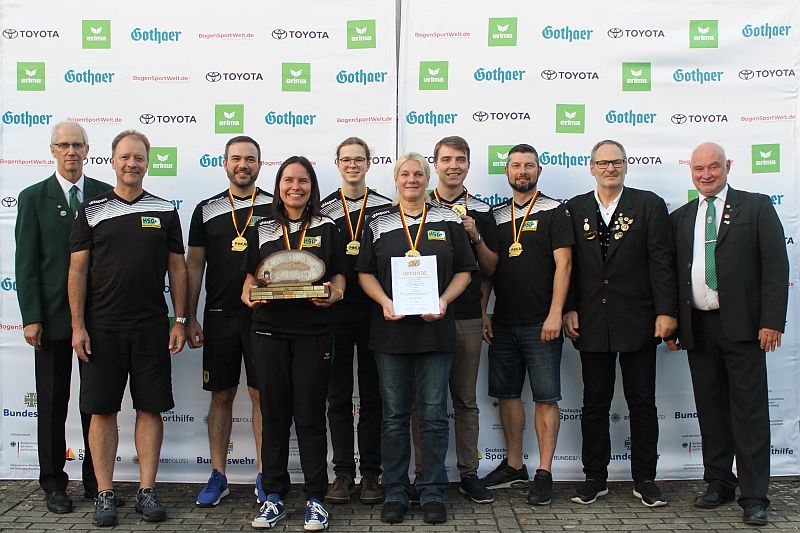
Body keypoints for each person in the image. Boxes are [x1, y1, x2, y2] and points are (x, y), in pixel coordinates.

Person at [68, 129, 188, 527]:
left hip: (151, 327)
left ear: (147, 163)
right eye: (125, 157)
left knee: (149, 408)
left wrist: (180, 319)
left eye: (138, 157)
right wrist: (78, 326)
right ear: (113, 160)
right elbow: (77, 270)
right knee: (102, 411)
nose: (131, 163)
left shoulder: (165, 210)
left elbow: (177, 268)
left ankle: (146, 490)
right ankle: (104, 492)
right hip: (102, 328)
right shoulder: (91, 210)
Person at [667, 142, 789, 526]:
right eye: (699, 168)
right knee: (711, 410)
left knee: (749, 413)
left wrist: (772, 321)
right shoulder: (682, 217)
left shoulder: (756, 207)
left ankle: (754, 496)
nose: (706, 174)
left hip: (744, 328)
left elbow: (775, 266)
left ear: (728, 166)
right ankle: (719, 482)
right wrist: (673, 322)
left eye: (714, 167)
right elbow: (672, 274)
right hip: (698, 327)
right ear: (691, 171)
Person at [356, 153, 476, 525]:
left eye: (418, 174)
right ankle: (395, 490)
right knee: (394, 416)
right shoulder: (378, 222)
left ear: (428, 178)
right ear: (396, 179)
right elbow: (364, 273)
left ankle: (432, 491)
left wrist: (443, 300)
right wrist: (384, 301)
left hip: (435, 332)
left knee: (434, 415)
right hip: (390, 334)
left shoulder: (448, 219)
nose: (412, 179)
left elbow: (465, 270)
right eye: (405, 174)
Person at [563, 140, 677, 507]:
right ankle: (594, 477)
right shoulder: (575, 208)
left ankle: (645, 478)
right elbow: (567, 266)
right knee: (594, 402)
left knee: (642, 402)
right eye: (603, 163)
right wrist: (568, 308)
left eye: (616, 162)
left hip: (638, 320)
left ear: (626, 166)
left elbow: (661, 262)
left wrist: (666, 311)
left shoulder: (649, 205)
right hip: (592, 321)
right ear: (591, 167)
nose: (610, 168)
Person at [243, 156, 346, 531]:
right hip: (269, 331)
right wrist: (248, 294)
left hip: (314, 333)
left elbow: (339, 275)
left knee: (309, 415)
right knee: (273, 416)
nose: (295, 187)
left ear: (311, 186)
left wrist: (334, 295)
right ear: (279, 186)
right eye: (288, 180)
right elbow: (250, 277)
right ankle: (273, 497)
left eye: (303, 181)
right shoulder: (262, 228)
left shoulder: (327, 226)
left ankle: (316, 499)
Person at [14, 122, 112, 513]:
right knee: (53, 403)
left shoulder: (106, 194)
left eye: (77, 145)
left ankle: (96, 482)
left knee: (95, 403)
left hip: (97, 317)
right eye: (63, 145)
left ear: (88, 150)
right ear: (52, 150)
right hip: (52, 318)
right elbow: (26, 262)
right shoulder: (33, 197)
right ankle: (54, 483)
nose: (71, 151)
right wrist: (31, 316)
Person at [481, 143, 573, 505]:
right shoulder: (495, 216)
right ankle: (515, 465)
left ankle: (544, 472)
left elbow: (565, 265)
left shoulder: (555, 210)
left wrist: (555, 313)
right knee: (507, 395)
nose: (522, 171)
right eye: (516, 165)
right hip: (503, 322)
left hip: (542, 323)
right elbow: (488, 270)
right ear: (506, 171)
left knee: (546, 398)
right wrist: (484, 312)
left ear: (539, 170)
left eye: (529, 165)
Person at [187, 136, 273, 507]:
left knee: (261, 395)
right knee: (221, 395)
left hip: (264, 316)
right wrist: (188, 315)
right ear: (224, 163)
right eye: (236, 158)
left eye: (250, 159)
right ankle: (218, 474)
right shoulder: (206, 209)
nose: (243, 165)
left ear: (260, 164)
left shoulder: (274, 206)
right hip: (220, 316)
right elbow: (194, 265)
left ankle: (265, 474)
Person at [414, 136, 497, 504]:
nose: (453, 165)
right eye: (446, 159)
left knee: (464, 399)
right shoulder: (417, 205)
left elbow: (491, 267)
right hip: (422, 315)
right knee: (423, 401)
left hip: (464, 314)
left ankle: (469, 473)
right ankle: (424, 474)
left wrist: (475, 235)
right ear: (435, 164)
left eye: (460, 159)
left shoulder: (481, 209)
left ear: (468, 164)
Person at [320, 138, 392, 505]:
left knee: (373, 395)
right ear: (337, 163)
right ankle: (343, 473)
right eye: (346, 159)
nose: (352, 165)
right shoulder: (322, 209)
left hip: (375, 312)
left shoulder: (385, 208)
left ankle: (372, 474)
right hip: (333, 314)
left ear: (368, 163)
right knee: (337, 395)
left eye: (359, 159)